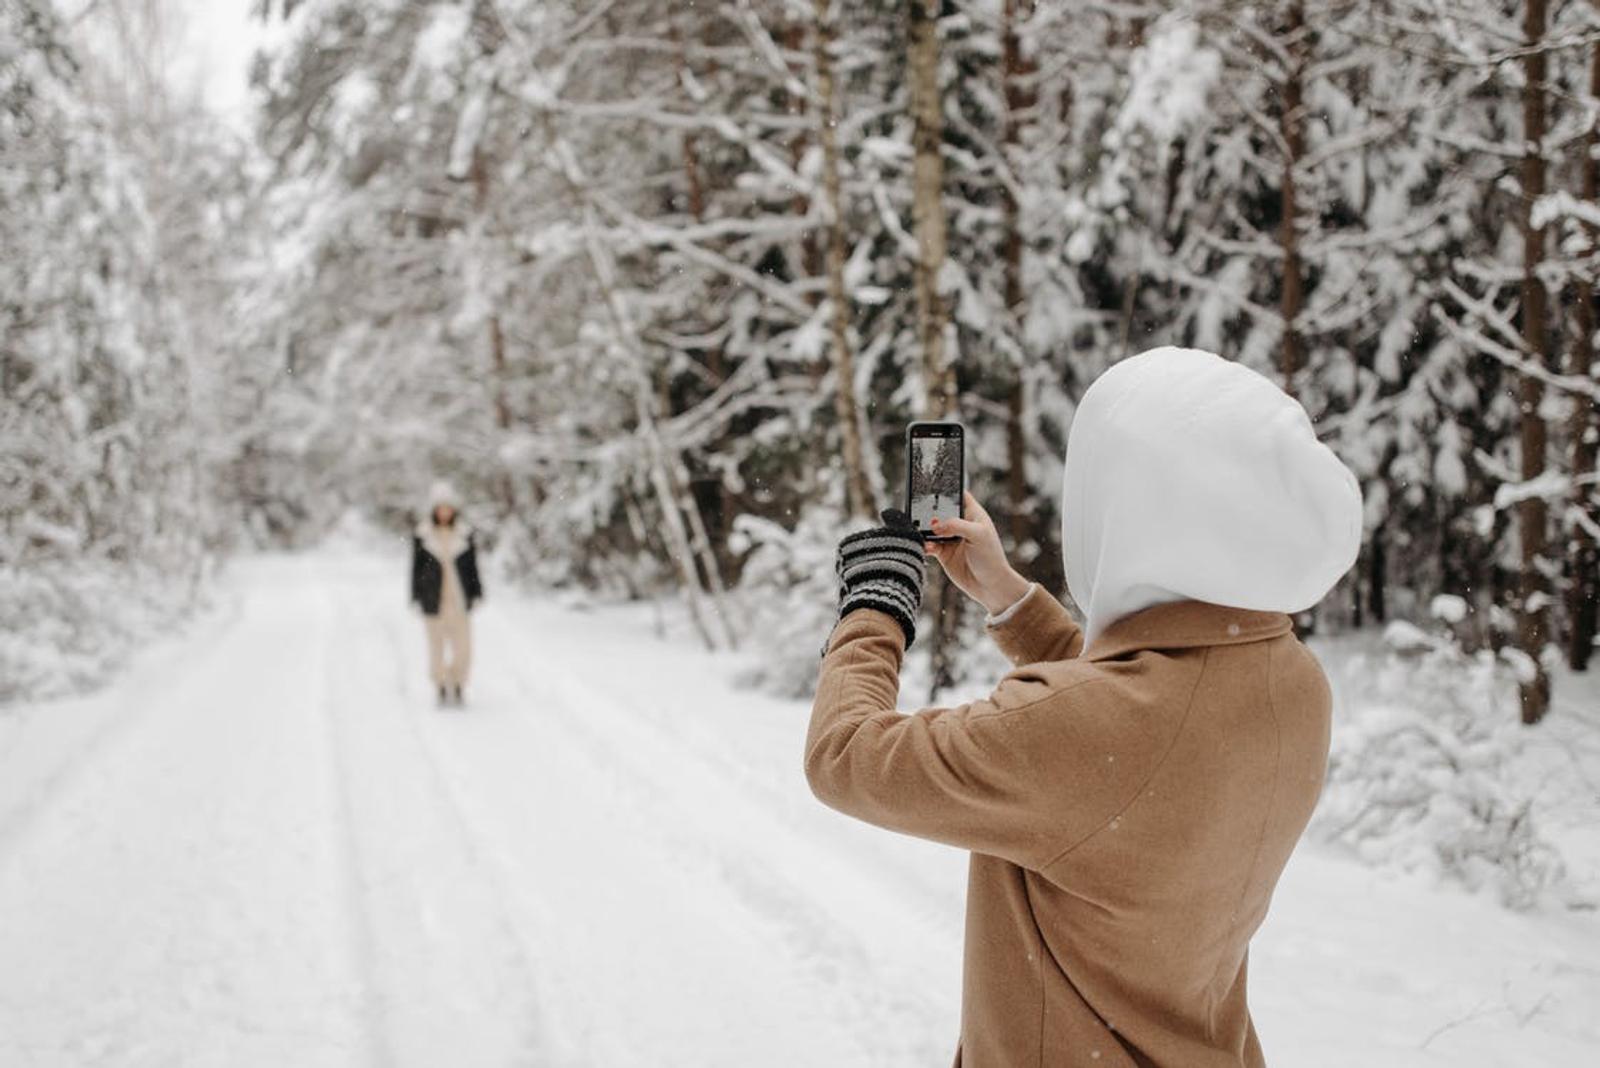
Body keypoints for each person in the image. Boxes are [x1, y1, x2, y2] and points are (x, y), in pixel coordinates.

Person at [808, 346, 1363, 1067]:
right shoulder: (1291, 682)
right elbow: (1137, 745)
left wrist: (874, 609)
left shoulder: (1093, 731)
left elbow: (845, 758)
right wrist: (1010, 596)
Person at [410, 480, 483, 707]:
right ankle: (440, 684)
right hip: (433, 600)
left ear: (453, 510)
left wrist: (476, 592)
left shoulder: (465, 535)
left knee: (463, 648)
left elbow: (472, 568)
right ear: (434, 510)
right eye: (440, 508)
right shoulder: (423, 536)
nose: (444, 512)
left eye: (448, 507)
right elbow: (415, 569)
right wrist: (415, 596)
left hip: (459, 601)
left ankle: (458, 682)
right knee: (436, 648)